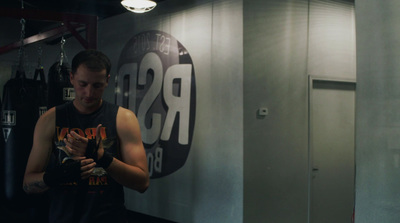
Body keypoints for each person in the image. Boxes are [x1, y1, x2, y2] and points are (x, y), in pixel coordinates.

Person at [23, 49, 149, 223]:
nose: (89, 93)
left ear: (107, 81)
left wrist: (103, 158)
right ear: (71, 78)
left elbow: (142, 183)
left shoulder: (123, 119)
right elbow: (28, 184)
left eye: (97, 85)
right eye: (83, 84)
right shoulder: (50, 120)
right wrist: (58, 175)